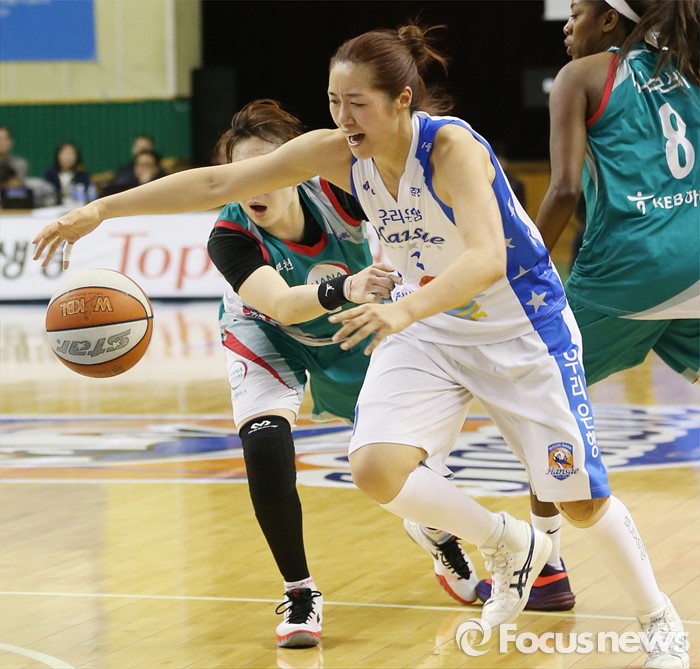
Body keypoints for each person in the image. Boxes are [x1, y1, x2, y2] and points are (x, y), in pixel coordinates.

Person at [32, 22, 688, 667]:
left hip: (519, 325)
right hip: (429, 327)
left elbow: (488, 258)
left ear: (402, 100)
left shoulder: (451, 147)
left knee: (580, 501)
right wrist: (101, 210)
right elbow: (216, 185)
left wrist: (402, 309)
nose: (343, 118)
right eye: (332, 102)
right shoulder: (340, 154)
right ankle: (505, 540)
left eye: (356, 103)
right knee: (375, 467)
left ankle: (658, 617)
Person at [476, 0, 700, 639]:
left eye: (575, 13)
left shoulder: (582, 77)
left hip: (630, 271)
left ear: (610, 21)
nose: (567, 27)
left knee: (537, 398)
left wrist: (514, 272)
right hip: (696, 260)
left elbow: (565, 189)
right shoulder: (688, 64)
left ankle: (543, 568)